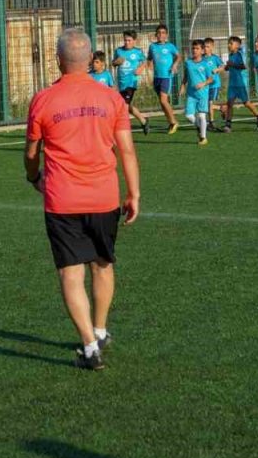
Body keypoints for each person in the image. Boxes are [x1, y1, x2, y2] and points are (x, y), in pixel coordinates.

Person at [24, 28, 140, 371]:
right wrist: (133, 193)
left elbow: (32, 152)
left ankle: (90, 345)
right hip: (105, 196)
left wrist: (34, 177)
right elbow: (127, 150)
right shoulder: (111, 97)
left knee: (70, 273)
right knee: (103, 263)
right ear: (90, 60)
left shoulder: (43, 99)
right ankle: (100, 329)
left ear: (58, 60)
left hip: (62, 200)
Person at [112, 31, 150, 135]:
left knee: (123, 107)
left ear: (134, 41)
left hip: (131, 83)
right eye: (125, 40)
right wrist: (116, 62)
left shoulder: (138, 52)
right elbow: (113, 63)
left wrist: (140, 68)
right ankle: (143, 120)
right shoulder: (119, 51)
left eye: (129, 40)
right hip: (121, 83)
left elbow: (145, 61)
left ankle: (123, 130)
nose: (127, 42)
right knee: (127, 106)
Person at [146, 25, 181, 135]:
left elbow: (178, 56)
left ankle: (174, 122)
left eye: (163, 33)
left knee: (163, 100)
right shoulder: (152, 47)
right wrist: (149, 65)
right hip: (157, 77)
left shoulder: (170, 46)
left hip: (166, 77)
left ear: (166, 35)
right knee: (162, 103)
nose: (161, 35)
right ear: (156, 35)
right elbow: (149, 58)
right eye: (159, 33)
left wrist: (175, 65)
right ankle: (170, 122)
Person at [222, 35, 258, 133]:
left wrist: (232, 65)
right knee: (229, 103)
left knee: (246, 103)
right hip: (232, 84)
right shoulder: (231, 55)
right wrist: (225, 67)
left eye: (231, 43)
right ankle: (228, 124)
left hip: (240, 83)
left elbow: (243, 66)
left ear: (237, 45)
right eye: (228, 43)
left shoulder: (239, 54)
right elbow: (230, 67)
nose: (229, 45)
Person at [182, 39, 213, 146]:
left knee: (201, 116)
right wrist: (182, 86)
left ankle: (203, 138)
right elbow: (186, 76)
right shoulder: (188, 63)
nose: (194, 50)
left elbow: (210, 79)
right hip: (191, 94)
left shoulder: (205, 64)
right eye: (193, 48)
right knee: (189, 116)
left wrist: (203, 84)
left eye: (197, 49)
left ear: (202, 50)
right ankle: (200, 127)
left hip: (202, 94)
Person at [202, 37, 225, 132]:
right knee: (205, 104)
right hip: (205, 84)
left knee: (209, 103)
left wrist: (217, 70)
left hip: (214, 84)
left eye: (208, 47)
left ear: (212, 47)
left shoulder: (215, 58)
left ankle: (211, 123)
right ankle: (221, 108)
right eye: (204, 46)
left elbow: (223, 66)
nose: (205, 48)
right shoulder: (202, 58)